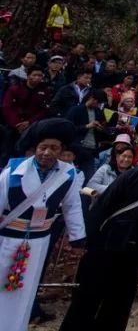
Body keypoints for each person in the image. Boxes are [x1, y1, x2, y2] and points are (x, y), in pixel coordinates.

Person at [59, 137, 138, 331]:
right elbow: (103, 206)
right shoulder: (132, 176)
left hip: (136, 250)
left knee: (120, 300)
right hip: (108, 244)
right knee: (90, 295)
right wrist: (87, 240)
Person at [0, 119, 86, 330]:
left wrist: (78, 237)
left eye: (53, 148)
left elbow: (72, 206)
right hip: (8, 239)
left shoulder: (68, 174)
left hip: (39, 241)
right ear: (35, 148)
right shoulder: (13, 170)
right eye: (43, 147)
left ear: (62, 150)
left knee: (26, 291)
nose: (47, 152)